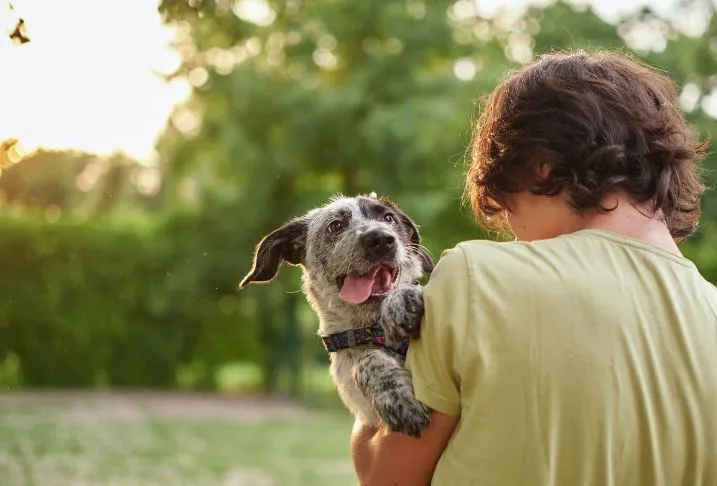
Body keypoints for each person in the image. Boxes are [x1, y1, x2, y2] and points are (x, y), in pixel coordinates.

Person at [350, 50, 717, 485]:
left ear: (541, 165)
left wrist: (366, 358)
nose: (512, 230)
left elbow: (385, 476)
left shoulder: (476, 277)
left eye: (506, 206)